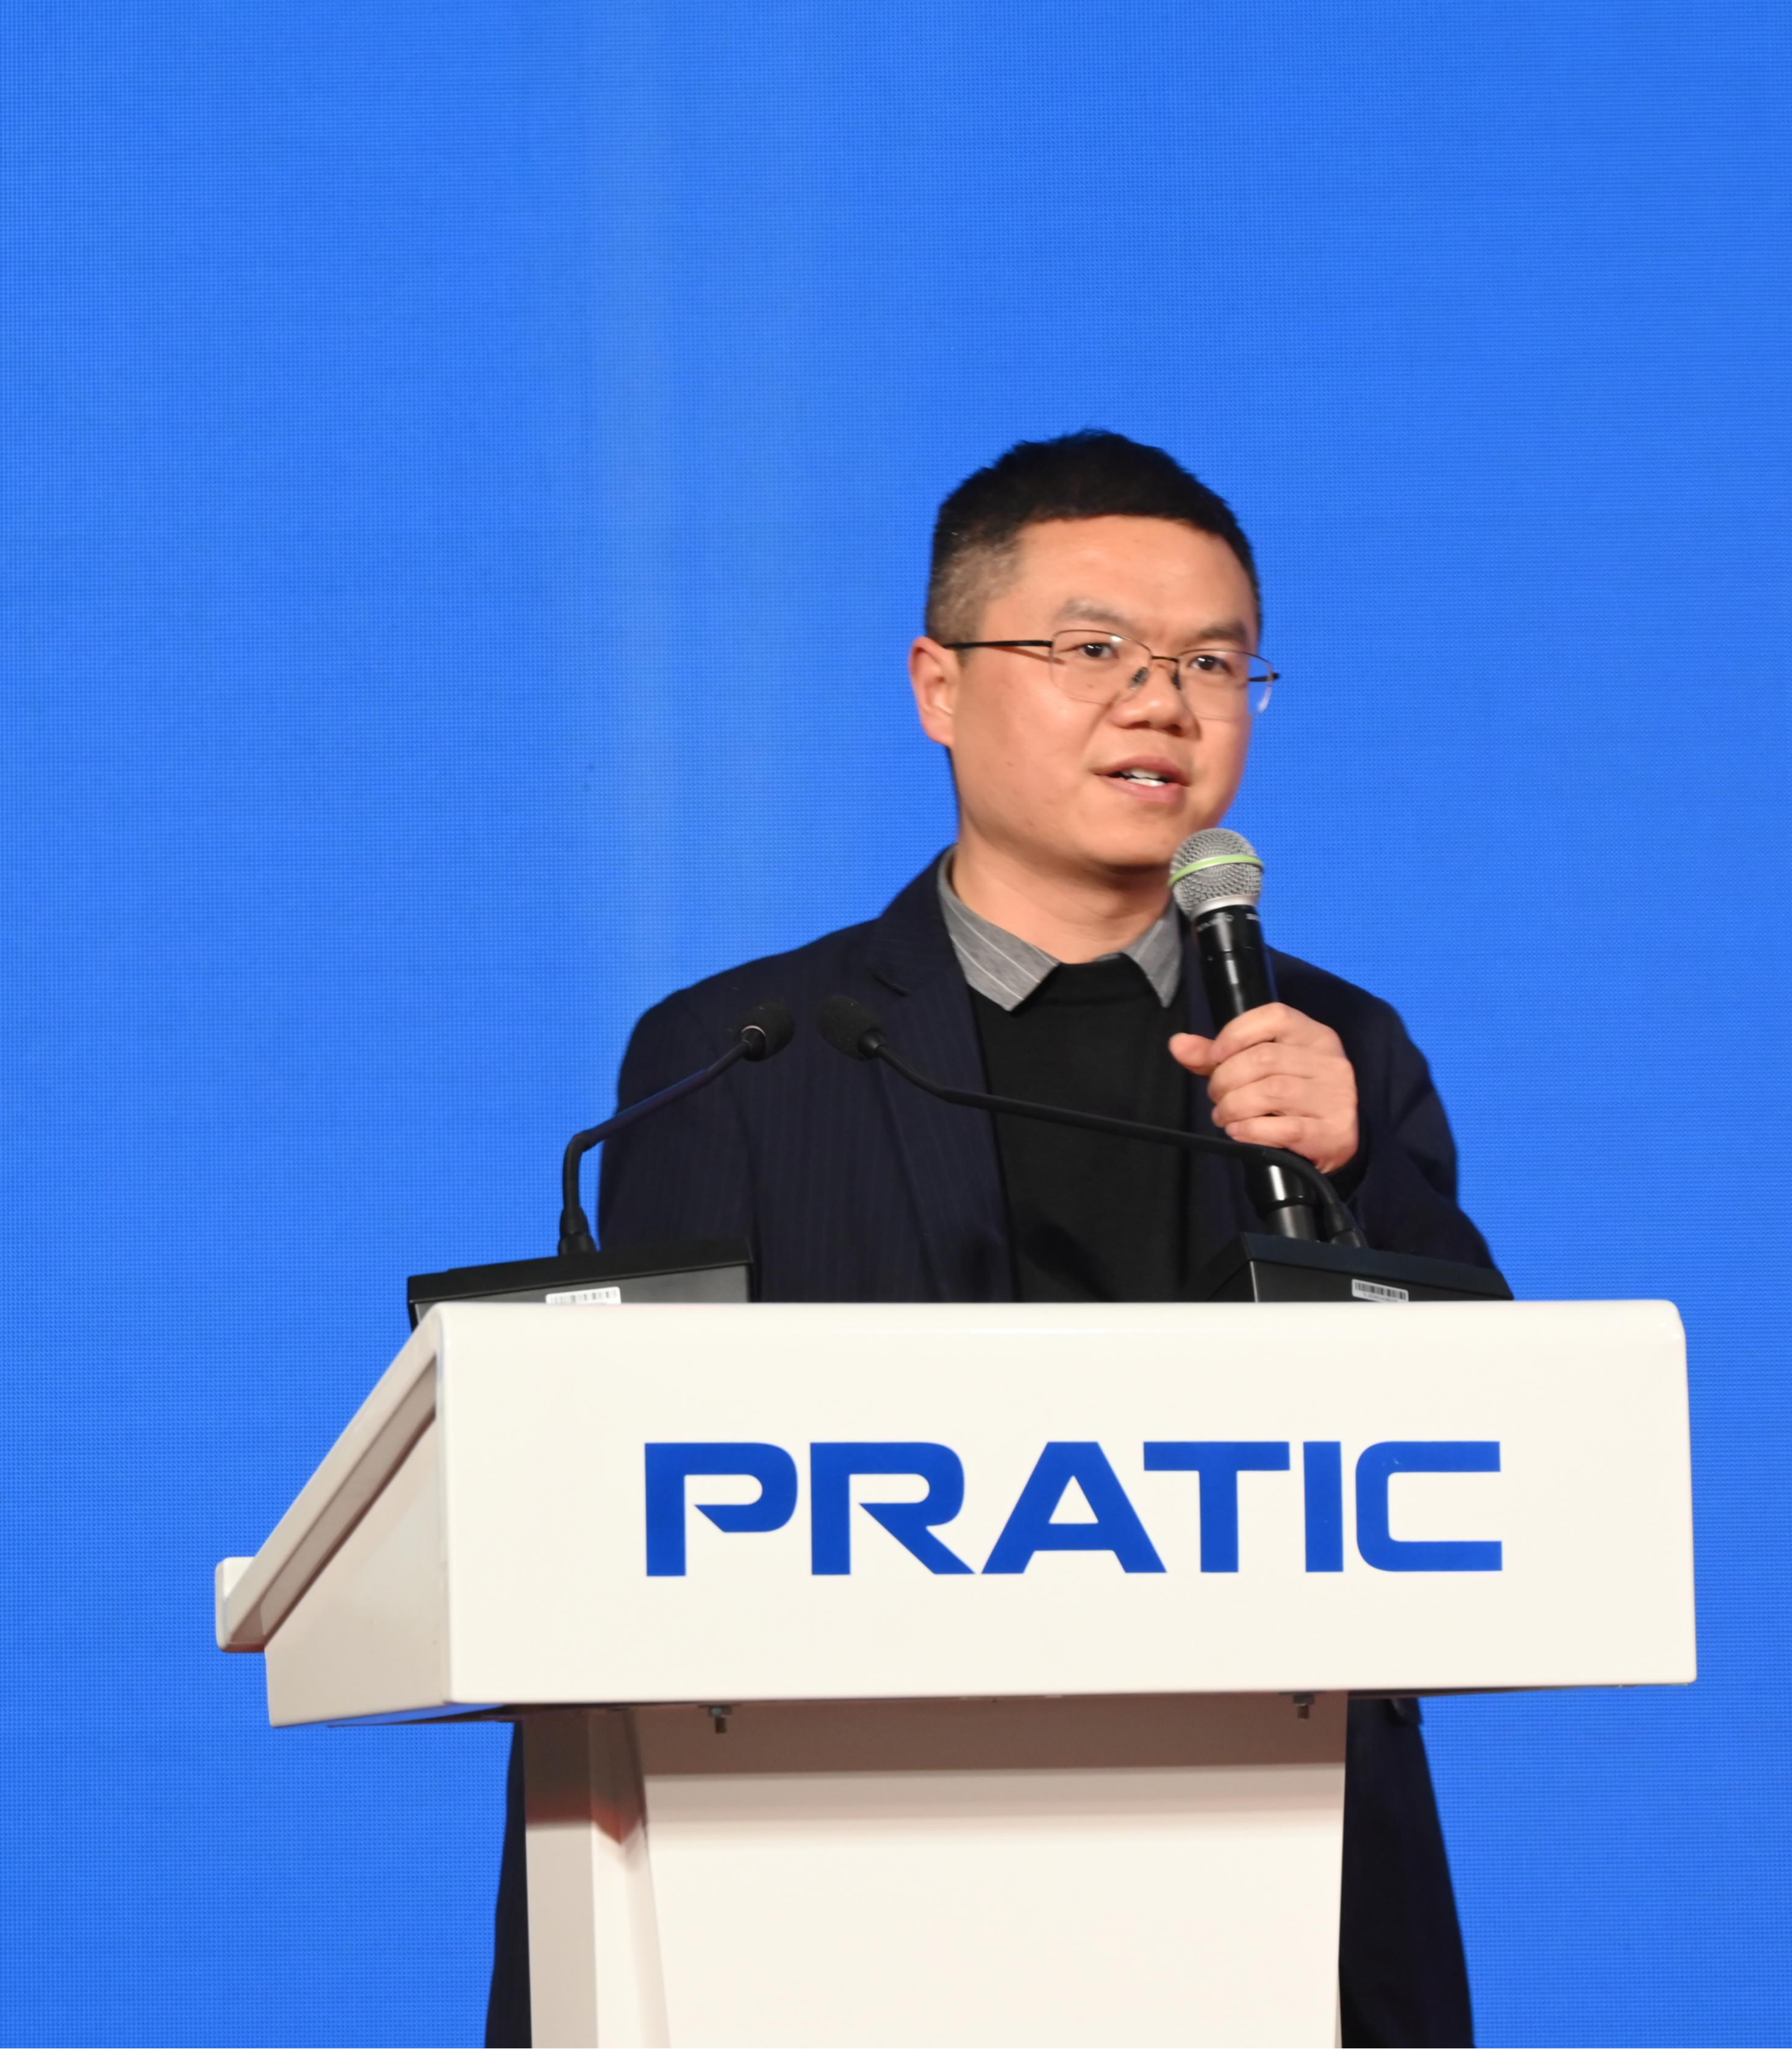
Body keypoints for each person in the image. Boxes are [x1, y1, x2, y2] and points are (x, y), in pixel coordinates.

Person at [484, 431, 1493, 2049]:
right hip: (840, 1872)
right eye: (1093, 650)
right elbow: (627, 1519)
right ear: (938, 686)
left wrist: (1351, 1168)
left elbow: (1490, 1457)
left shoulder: (1336, 1046)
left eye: (1212, 662)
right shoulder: (748, 1051)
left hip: (1275, 1862)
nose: (1161, 703)